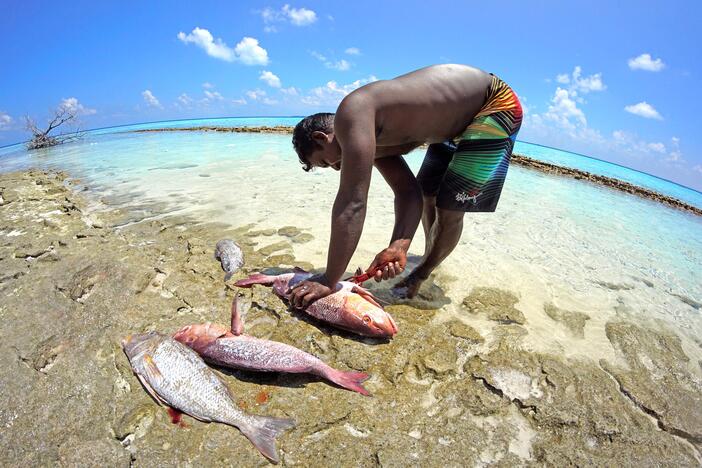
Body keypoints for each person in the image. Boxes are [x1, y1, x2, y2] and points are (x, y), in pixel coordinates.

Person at [288, 64, 522, 308]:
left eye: (327, 162)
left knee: (450, 210)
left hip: (495, 105)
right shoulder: (372, 140)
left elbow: (352, 203)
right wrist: (399, 245)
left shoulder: (351, 114)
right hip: (454, 126)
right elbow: (408, 193)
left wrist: (329, 279)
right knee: (426, 193)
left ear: (320, 137)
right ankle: (429, 257)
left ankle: (421, 274)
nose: (337, 168)